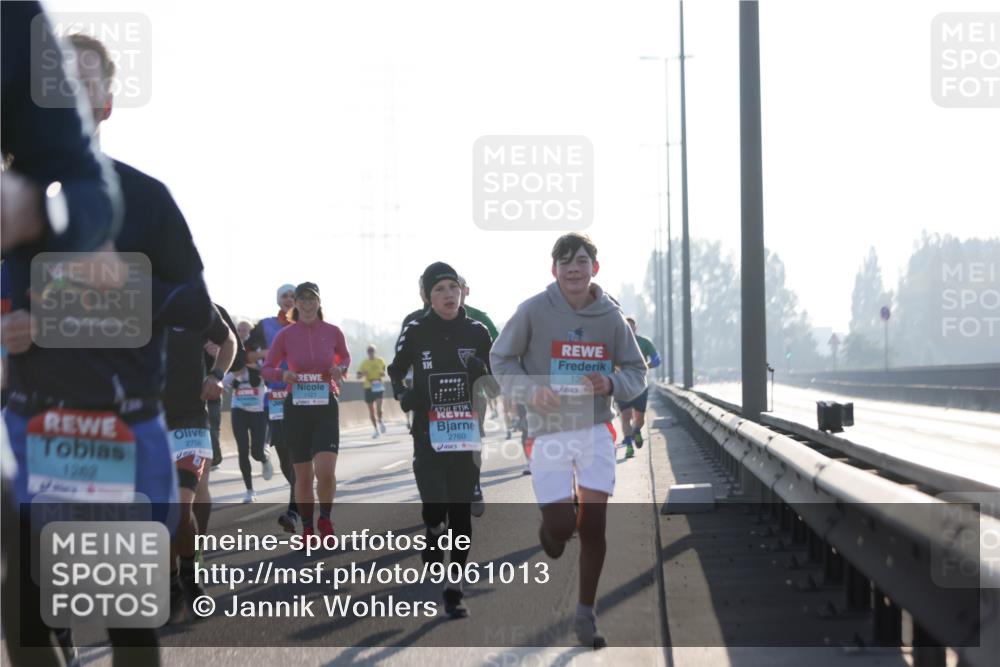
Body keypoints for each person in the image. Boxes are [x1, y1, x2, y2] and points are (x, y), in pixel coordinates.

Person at [2, 27, 210, 667]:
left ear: (106, 103)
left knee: (126, 623)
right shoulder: (8, 200)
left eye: (82, 78)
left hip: (115, 430)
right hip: (26, 425)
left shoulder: (143, 199)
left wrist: (58, 316)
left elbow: (191, 307)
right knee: (27, 617)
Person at [491, 233, 646, 648]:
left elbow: (636, 370)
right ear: (554, 270)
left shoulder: (611, 317)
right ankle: (552, 531)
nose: (573, 268)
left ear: (595, 267)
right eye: (564, 262)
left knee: (593, 525)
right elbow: (500, 358)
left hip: (596, 428)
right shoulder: (533, 311)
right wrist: (528, 390)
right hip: (549, 429)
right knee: (561, 532)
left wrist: (610, 381)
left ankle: (585, 615)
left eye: (581, 261)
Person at [388, 262, 497, 619]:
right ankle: (433, 530)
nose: (448, 294)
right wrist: (405, 394)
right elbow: (396, 369)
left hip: (465, 431)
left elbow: (497, 380)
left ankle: (455, 587)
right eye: (439, 289)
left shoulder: (479, 331)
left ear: (463, 291)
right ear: (428, 297)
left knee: (461, 511)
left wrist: (482, 373)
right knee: (436, 505)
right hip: (427, 432)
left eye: (453, 287)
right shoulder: (416, 329)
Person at [163, 305, 238, 623]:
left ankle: (190, 577)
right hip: (145, 422)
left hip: (190, 418)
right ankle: (170, 585)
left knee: (181, 506)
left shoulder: (188, 299)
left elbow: (229, 340)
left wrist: (216, 374)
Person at [262, 282, 350, 539]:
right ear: (296, 304)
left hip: (325, 406)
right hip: (297, 408)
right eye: (303, 299)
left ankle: (325, 519)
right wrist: (283, 373)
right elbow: (267, 368)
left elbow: (344, 357)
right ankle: (308, 529)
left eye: (312, 299)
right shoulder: (286, 335)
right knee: (302, 475)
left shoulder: (333, 331)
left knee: (325, 472)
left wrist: (339, 369)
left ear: (319, 302)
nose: (308, 304)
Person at [247, 284, 298, 531]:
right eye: (285, 296)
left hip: (304, 397)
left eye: (293, 296)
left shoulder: (309, 324)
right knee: (286, 458)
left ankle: (295, 510)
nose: (289, 299)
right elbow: (245, 355)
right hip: (275, 399)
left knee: (300, 454)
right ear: (279, 301)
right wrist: (267, 358)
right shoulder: (265, 325)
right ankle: (299, 491)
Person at [227, 318, 274, 502]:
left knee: (256, 451)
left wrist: (247, 364)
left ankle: (264, 458)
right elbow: (229, 374)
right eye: (239, 330)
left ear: (251, 333)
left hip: (257, 408)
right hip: (238, 406)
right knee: (242, 449)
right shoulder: (232, 352)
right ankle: (249, 490)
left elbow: (266, 372)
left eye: (245, 330)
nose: (242, 333)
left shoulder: (258, 352)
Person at [617, 317, 661, 458]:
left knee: (640, 419)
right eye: (627, 327)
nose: (629, 330)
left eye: (632, 327)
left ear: (635, 329)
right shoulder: (616, 342)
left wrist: (644, 366)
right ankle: (629, 446)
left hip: (640, 385)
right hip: (622, 384)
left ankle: (636, 431)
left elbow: (657, 360)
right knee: (625, 416)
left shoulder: (644, 342)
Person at [356, 345, 387, 438]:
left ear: (375, 352)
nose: (371, 353)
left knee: (379, 408)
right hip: (368, 387)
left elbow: (384, 372)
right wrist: (363, 374)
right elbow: (358, 376)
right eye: (369, 351)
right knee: (371, 410)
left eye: (372, 351)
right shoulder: (364, 363)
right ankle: (376, 430)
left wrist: (382, 374)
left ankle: (381, 421)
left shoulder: (380, 361)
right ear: (367, 353)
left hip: (378, 385)